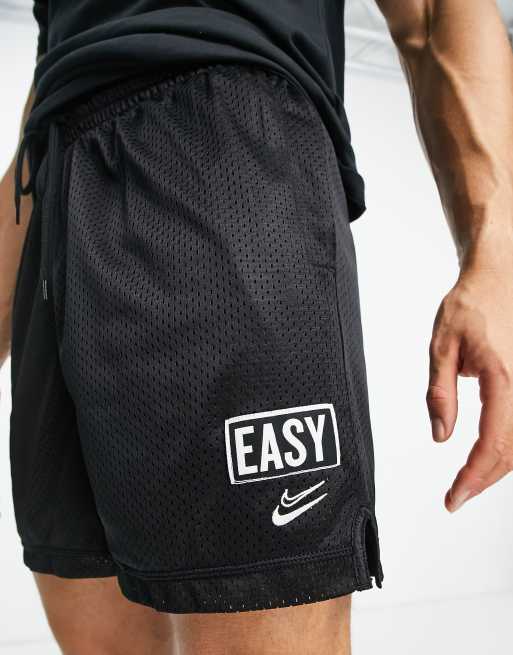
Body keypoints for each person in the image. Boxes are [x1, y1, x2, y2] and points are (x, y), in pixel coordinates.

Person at [1, 0, 513, 653]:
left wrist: (496, 259)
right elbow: (50, 87)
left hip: (223, 144)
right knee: (96, 631)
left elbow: (436, 13)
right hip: (58, 180)